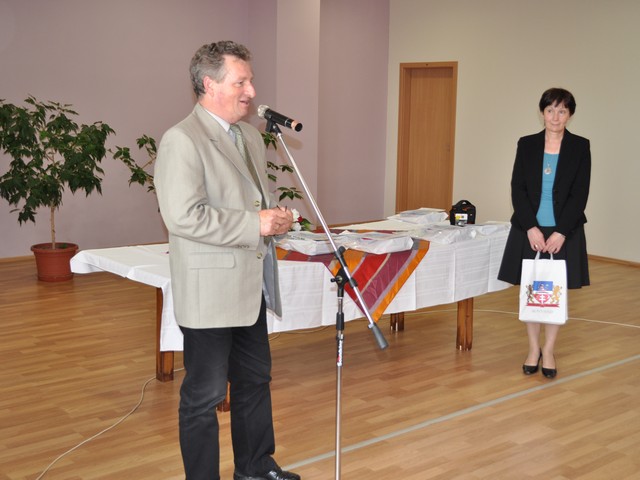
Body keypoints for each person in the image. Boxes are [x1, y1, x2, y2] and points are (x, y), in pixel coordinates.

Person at [154, 41, 299, 480]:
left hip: (248, 287)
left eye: (250, 81)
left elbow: (252, 203)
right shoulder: (182, 140)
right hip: (209, 293)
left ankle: (255, 467)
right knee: (205, 395)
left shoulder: (249, 136)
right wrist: (255, 223)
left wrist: (275, 219)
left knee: (255, 381)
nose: (251, 91)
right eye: (241, 82)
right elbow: (183, 216)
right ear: (209, 84)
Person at [498, 87, 591, 379]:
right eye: (550, 110)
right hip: (530, 230)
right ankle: (533, 348)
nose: (555, 116)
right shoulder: (526, 144)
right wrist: (530, 227)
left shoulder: (580, 146)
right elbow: (518, 188)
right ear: (542, 113)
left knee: (553, 293)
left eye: (562, 111)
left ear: (570, 115)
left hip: (564, 232)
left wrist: (561, 232)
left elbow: (580, 193)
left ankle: (549, 350)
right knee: (532, 291)